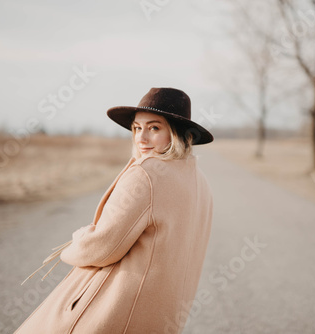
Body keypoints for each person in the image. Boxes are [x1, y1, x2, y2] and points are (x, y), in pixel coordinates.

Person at [14, 87, 214, 334]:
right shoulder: (200, 182)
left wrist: (77, 240)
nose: (141, 138)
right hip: (161, 319)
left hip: (113, 312)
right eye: (137, 128)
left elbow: (102, 246)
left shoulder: (146, 174)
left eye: (154, 128)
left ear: (177, 134)